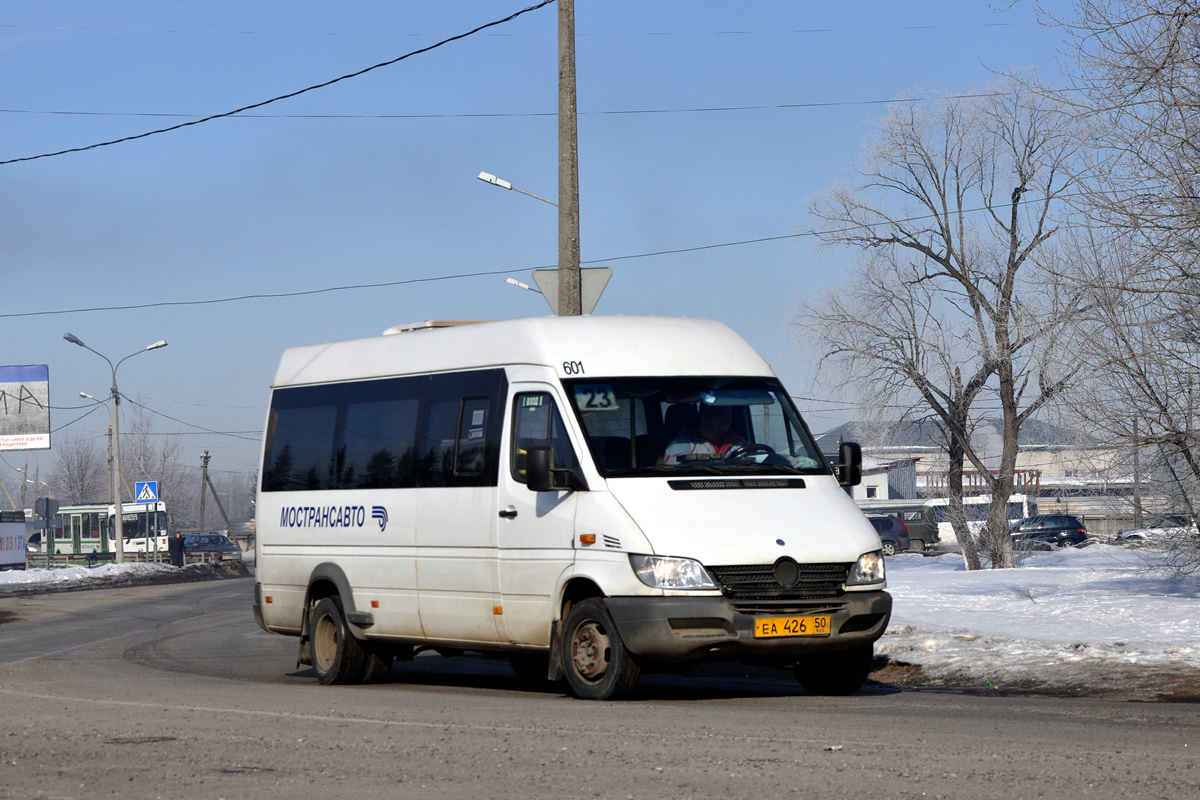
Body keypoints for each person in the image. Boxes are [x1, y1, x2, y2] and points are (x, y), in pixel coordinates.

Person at [664, 403, 747, 465]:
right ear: (706, 414)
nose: (728, 417)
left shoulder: (739, 442)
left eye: (730, 412)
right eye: (722, 412)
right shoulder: (681, 445)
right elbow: (677, 480)